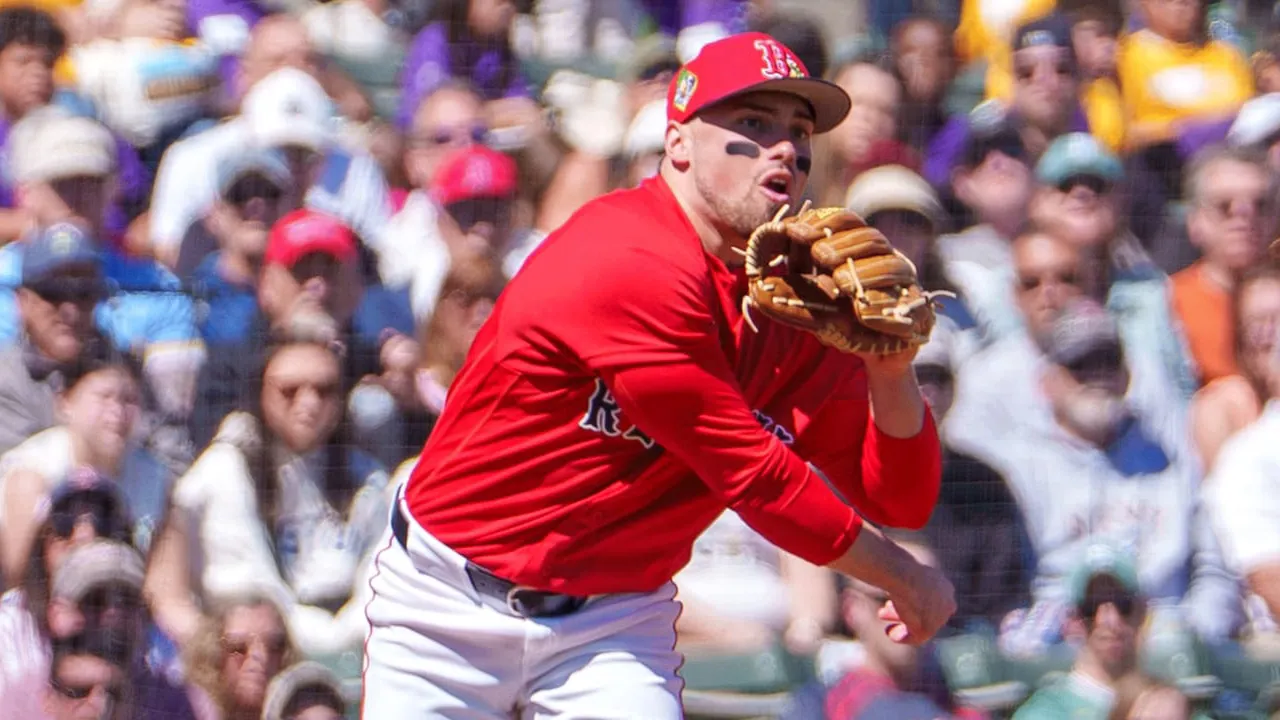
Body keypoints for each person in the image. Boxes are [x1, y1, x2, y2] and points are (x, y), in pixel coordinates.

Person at [361, 31, 955, 719]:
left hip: (609, 622)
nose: (785, 149)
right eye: (753, 125)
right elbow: (755, 477)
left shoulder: (792, 302)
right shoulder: (624, 254)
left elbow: (899, 501)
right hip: (450, 602)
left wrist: (889, 371)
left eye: (798, 132)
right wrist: (901, 576)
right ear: (678, 143)